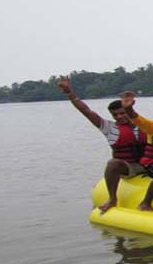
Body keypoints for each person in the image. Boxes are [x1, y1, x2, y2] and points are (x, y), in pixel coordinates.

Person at [58, 76, 146, 214]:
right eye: (115, 115)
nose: (119, 117)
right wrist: (70, 93)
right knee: (113, 163)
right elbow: (86, 111)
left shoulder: (144, 125)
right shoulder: (109, 127)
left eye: (122, 113)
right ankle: (112, 198)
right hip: (130, 167)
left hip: (151, 164)